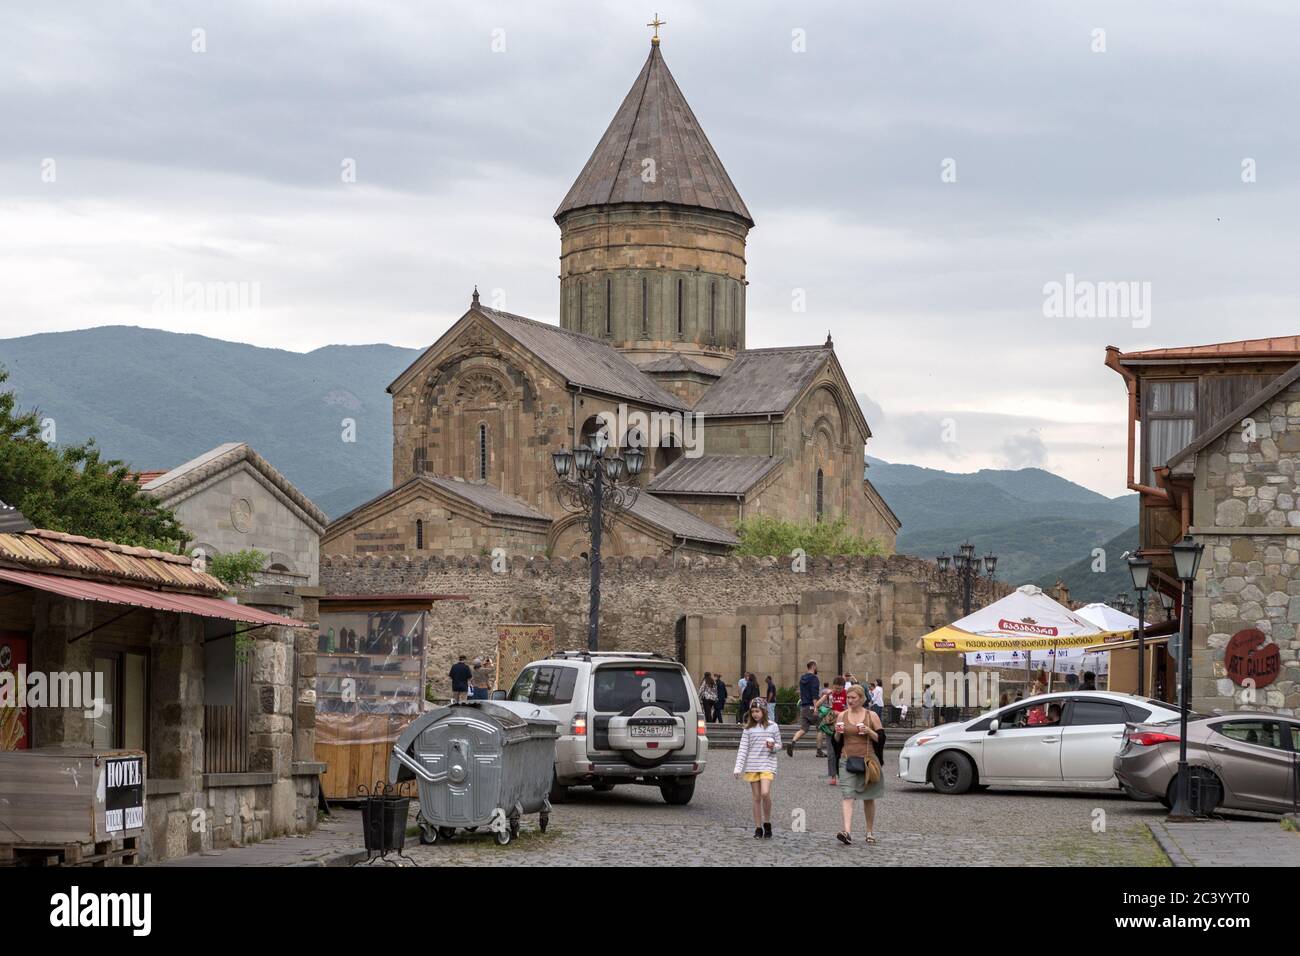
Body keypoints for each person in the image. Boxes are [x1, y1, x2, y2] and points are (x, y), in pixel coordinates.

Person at [834, 683, 884, 846]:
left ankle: (869, 832)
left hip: (868, 761)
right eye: (848, 697)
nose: (849, 700)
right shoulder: (842, 716)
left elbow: (881, 740)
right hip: (846, 760)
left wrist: (869, 731)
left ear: (861, 699)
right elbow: (836, 742)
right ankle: (847, 832)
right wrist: (837, 732)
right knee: (847, 795)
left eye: (853, 698)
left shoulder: (872, 716)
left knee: (868, 798)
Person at [733, 697, 781, 838]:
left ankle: (767, 822)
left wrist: (773, 747)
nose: (755, 714)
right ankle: (758, 828)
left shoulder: (773, 726)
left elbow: (779, 745)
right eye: (753, 711)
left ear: (764, 711)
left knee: (765, 793)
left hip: (768, 764)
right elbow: (743, 749)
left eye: (758, 711)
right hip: (753, 765)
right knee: (756, 798)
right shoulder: (748, 729)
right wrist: (738, 767)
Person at [786, 661, 823, 757]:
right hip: (811, 706)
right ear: (813, 666)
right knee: (820, 728)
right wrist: (816, 708)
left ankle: (792, 742)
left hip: (804, 707)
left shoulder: (802, 678)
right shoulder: (814, 679)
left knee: (803, 729)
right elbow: (814, 694)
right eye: (816, 666)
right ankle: (819, 751)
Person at [816, 677, 848, 785]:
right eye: (836, 688)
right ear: (833, 686)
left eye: (840, 689)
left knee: (843, 752)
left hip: (842, 725)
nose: (837, 691)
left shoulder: (847, 695)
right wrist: (826, 695)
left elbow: (851, 709)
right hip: (830, 726)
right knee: (830, 753)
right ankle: (833, 776)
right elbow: (817, 704)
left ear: (843, 687)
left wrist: (840, 713)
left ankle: (843, 775)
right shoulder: (830, 694)